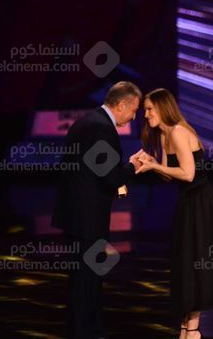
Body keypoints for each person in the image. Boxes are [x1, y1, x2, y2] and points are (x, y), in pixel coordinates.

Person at [135, 88, 213, 339]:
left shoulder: (178, 132)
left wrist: (155, 166)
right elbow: (172, 176)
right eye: (145, 110)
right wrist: (151, 164)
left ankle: (193, 330)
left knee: (196, 263)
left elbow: (189, 174)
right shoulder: (165, 134)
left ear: (163, 108)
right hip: (187, 202)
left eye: (150, 109)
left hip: (200, 203)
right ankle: (186, 327)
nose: (146, 115)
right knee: (186, 264)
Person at [51, 81, 144, 339]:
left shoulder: (87, 121)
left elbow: (93, 172)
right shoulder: (100, 128)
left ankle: (90, 330)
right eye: (134, 110)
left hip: (77, 216)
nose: (134, 117)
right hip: (86, 219)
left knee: (84, 282)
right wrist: (134, 166)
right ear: (121, 104)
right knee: (86, 283)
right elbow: (110, 178)